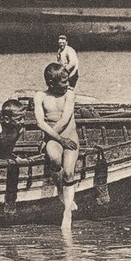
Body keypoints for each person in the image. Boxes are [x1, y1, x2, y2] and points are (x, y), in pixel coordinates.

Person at [34, 63, 79, 230]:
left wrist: (54, 137)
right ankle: (61, 191)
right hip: (55, 138)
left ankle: (67, 211)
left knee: (68, 171)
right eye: (64, 82)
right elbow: (39, 122)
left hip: (69, 136)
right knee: (54, 159)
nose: (68, 84)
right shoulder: (40, 96)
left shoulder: (70, 94)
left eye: (67, 80)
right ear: (51, 83)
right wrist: (55, 139)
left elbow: (65, 119)